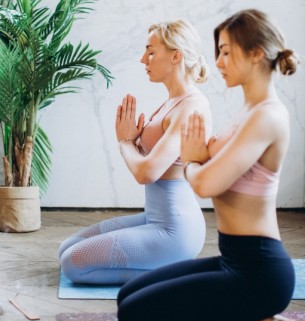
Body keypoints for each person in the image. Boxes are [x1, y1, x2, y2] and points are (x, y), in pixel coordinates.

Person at [117, 8, 305, 321]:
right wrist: (196, 159)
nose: (217, 62)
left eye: (226, 52)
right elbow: (202, 163)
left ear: (256, 54)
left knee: (134, 317)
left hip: (259, 272)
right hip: (232, 258)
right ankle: (252, 319)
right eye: (219, 52)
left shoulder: (268, 117)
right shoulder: (246, 112)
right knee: (127, 296)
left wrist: (190, 160)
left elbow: (205, 184)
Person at [58, 19, 212, 284]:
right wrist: (135, 140)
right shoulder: (173, 101)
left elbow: (147, 172)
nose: (143, 59)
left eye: (151, 51)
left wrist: (126, 143)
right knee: (65, 249)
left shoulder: (191, 107)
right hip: (154, 218)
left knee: (72, 265)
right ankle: (167, 266)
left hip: (174, 230)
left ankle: (176, 270)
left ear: (176, 55)